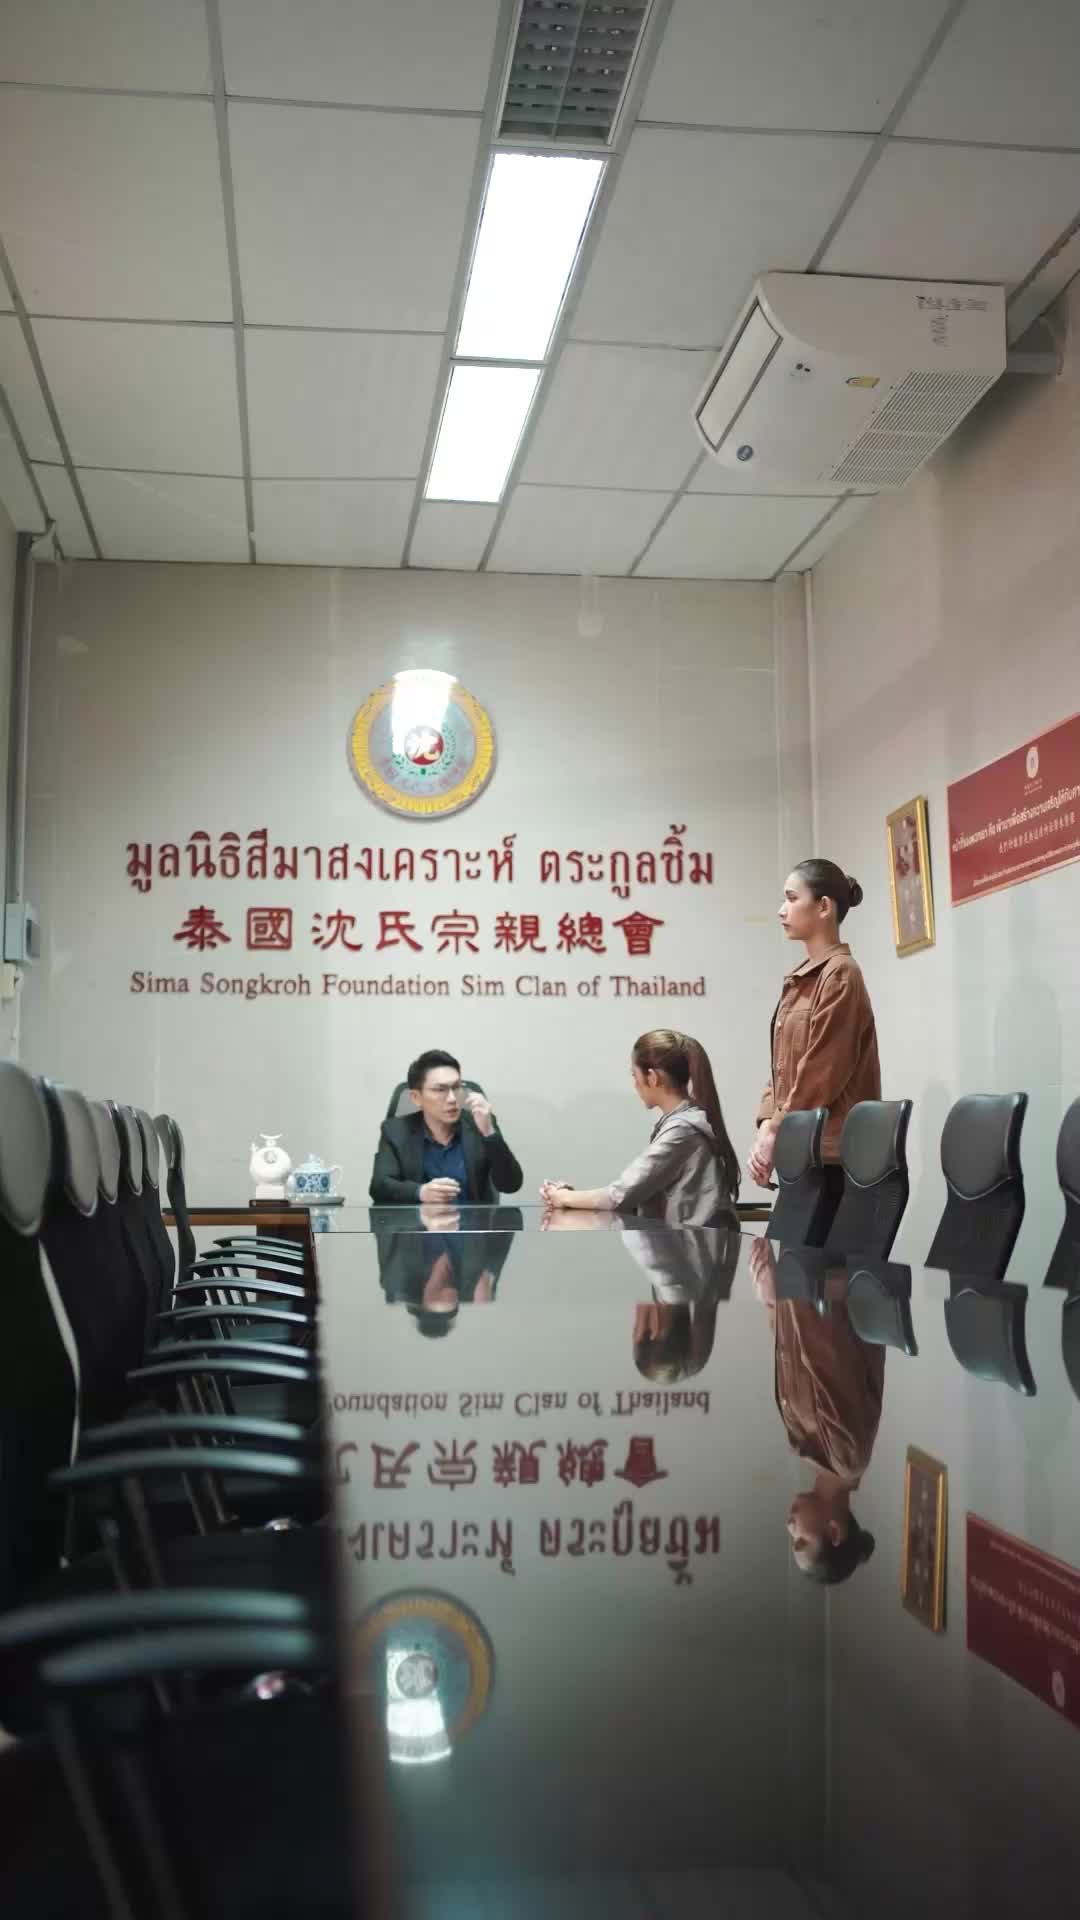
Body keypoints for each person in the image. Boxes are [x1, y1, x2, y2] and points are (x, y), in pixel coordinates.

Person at [751, 1236, 881, 1585]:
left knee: (764, 1207)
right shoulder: (848, 1456)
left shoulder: (809, 1451)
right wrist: (782, 1290)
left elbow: (792, 1352)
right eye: (801, 1541)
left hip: (807, 1262)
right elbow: (826, 1346)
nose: (789, 1527)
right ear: (834, 1531)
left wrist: (770, 1301)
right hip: (834, 1253)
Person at [749, 859, 880, 1195]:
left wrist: (774, 1129)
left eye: (792, 898)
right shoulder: (803, 978)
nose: (782, 910)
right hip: (800, 1147)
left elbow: (821, 1072)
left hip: (831, 1157)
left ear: (823, 906)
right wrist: (766, 1124)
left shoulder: (841, 974)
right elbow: (782, 1070)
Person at [539, 1029, 740, 1227]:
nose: (635, 1084)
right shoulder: (683, 1124)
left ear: (652, 1077)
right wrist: (568, 1196)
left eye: (634, 1075)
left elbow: (619, 1196)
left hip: (694, 1246)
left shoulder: (681, 1131)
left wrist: (562, 1197)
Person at [369, 1050, 523, 1206]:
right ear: (416, 1098)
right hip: (420, 1220)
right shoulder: (395, 1131)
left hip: (474, 1220)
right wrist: (420, 1192)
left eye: (456, 1087)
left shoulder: (481, 1123)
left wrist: (489, 1133)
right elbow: (379, 1186)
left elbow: (511, 1185)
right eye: (440, 1090)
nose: (452, 1098)